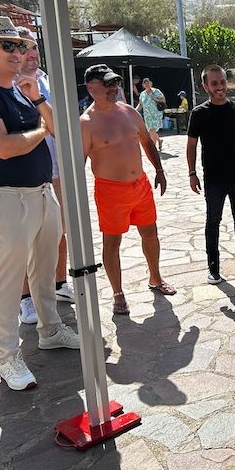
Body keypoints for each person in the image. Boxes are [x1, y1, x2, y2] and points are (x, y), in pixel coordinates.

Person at [0, 15, 80, 391]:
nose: (17, 52)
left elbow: (64, 131)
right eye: (7, 45)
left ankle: (51, 331)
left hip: (41, 192)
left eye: (20, 45)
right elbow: (4, 147)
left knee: (45, 271)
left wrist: (39, 99)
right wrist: (42, 129)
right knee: (9, 280)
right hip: (4, 197)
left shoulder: (22, 89)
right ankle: (8, 357)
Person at [80, 64, 176, 315]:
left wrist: (160, 171)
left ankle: (155, 277)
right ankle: (118, 293)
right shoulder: (86, 123)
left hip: (140, 186)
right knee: (112, 242)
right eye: (107, 84)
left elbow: (146, 142)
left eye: (115, 83)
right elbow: (78, 162)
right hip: (110, 191)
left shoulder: (130, 112)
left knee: (150, 233)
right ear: (91, 87)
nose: (113, 88)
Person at [14, 26, 75, 325]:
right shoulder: (9, 85)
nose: (33, 53)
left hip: (59, 168)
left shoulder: (46, 80)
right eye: (25, 47)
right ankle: (26, 299)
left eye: (35, 46)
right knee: (28, 238)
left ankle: (59, 283)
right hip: (29, 173)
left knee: (61, 230)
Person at [186, 64, 235, 284]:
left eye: (222, 82)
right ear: (205, 86)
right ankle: (213, 266)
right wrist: (192, 173)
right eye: (214, 83)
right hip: (213, 180)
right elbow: (191, 145)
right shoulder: (199, 114)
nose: (220, 87)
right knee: (213, 221)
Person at [135, 78, 165, 149]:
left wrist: (155, 98)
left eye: (148, 83)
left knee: (152, 131)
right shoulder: (142, 94)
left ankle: (153, 148)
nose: (147, 85)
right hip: (147, 116)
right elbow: (141, 104)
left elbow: (163, 100)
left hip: (156, 114)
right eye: (145, 83)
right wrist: (135, 110)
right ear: (143, 85)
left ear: (151, 83)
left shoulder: (156, 91)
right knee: (152, 131)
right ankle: (159, 140)